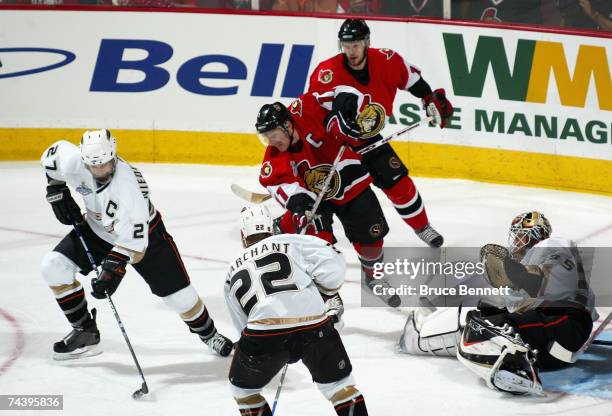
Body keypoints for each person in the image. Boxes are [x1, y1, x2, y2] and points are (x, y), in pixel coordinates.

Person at [40, 130, 233, 360]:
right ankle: (85, 333)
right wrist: (56, 189)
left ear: (114, 155)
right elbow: (52, 156)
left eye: (106, 164)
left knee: (180, 298)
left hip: (146, 238)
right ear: (84, 160)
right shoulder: (74, 161)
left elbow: (135, 246)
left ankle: (209, 334)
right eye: (95, 166)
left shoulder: (128, 189)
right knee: (53, 266)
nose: (101, 171)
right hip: (97, 230)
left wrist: (112, 271)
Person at [397, 211, 597, 395]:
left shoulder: (551, 244)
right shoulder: (552, 267)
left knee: (496, 326)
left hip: (562, 323)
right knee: (481, 319)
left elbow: (538, 280)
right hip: (555, 335)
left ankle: (517, 370)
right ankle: (423, 337)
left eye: (520, 236)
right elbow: (525, 299)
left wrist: (514, 272)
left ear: (534, 233)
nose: (517, 243)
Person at [308, 19, 454, 248]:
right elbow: (313, 110)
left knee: (399, 183)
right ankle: (310, 237)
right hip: (334, 144)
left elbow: (415, 82)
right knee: (330, 194)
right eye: (346, 45)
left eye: (355, 45)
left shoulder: (387, 60)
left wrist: (429, 98)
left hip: (369, 140)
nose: (350, 51)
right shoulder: (327, 72)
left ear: (367, 42)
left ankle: (422, 227)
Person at [256, 92, 401, 307]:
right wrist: (299, 202)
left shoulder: (306, 108)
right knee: (318, 242)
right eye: (266, 136)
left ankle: (373, 277)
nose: (272, 141)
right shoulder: (275, 154)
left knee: (372, 238)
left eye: (274, 133)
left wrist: (346, 105)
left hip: (350, 181)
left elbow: (336, 93)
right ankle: (328, 295)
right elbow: (276, 181)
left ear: (287, 125)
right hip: (315, 198)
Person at [224, 205, 368, 416]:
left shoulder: (231, 270)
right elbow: (334, 263)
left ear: (243, 235)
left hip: (263, 333)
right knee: (339, 386)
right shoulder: (291, 241)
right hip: (314, 325)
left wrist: (273, 345)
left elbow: (242, 324)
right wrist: (324, 295)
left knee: (244, 390)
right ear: (272, 229)